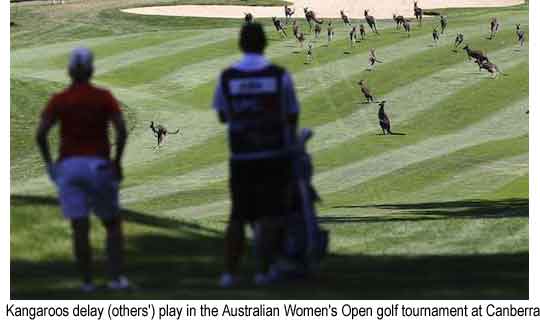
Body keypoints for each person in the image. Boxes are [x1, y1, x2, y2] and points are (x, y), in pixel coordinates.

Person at [212, 23, 300, 287]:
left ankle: (230, 273)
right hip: (274, 155)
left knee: (238, 215)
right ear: (265, 44)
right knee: (271, 215)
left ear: (241, 44)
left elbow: (222, 115)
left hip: (241, 157)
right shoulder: (279, 75)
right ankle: (266, 270)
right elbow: (292, 116)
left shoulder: (228, 77)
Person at [36, 48, 129, 292]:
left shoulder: (59, 99)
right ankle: (115, 279)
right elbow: (121, 129)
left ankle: (87, 283)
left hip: (69, 167)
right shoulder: (104, 96)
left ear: (69, 71)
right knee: (112, 224)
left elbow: (41, 134)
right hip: (98, 165)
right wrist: (117, 161)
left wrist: (50, 164)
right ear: (91, 70)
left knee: (80, 226)